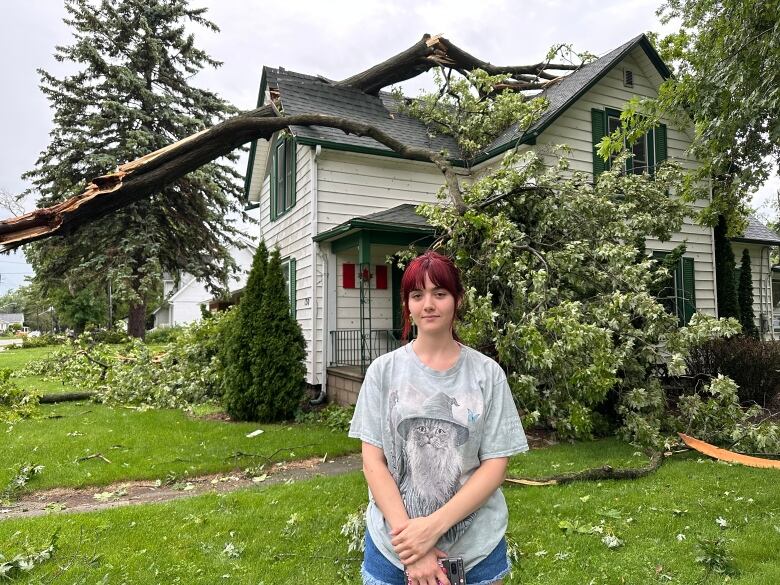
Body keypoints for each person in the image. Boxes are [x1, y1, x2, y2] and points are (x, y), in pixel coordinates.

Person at [348, 250, 529, 585]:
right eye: (417, 295)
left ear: (457, 301)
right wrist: (413, 547)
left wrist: (431, 529)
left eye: (439, 294)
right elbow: (373, 462)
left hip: (476, 553)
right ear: (408, 305)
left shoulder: (487, 374)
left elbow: (495, 464)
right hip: (394, 550)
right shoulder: (382, 372)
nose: (428, 304)